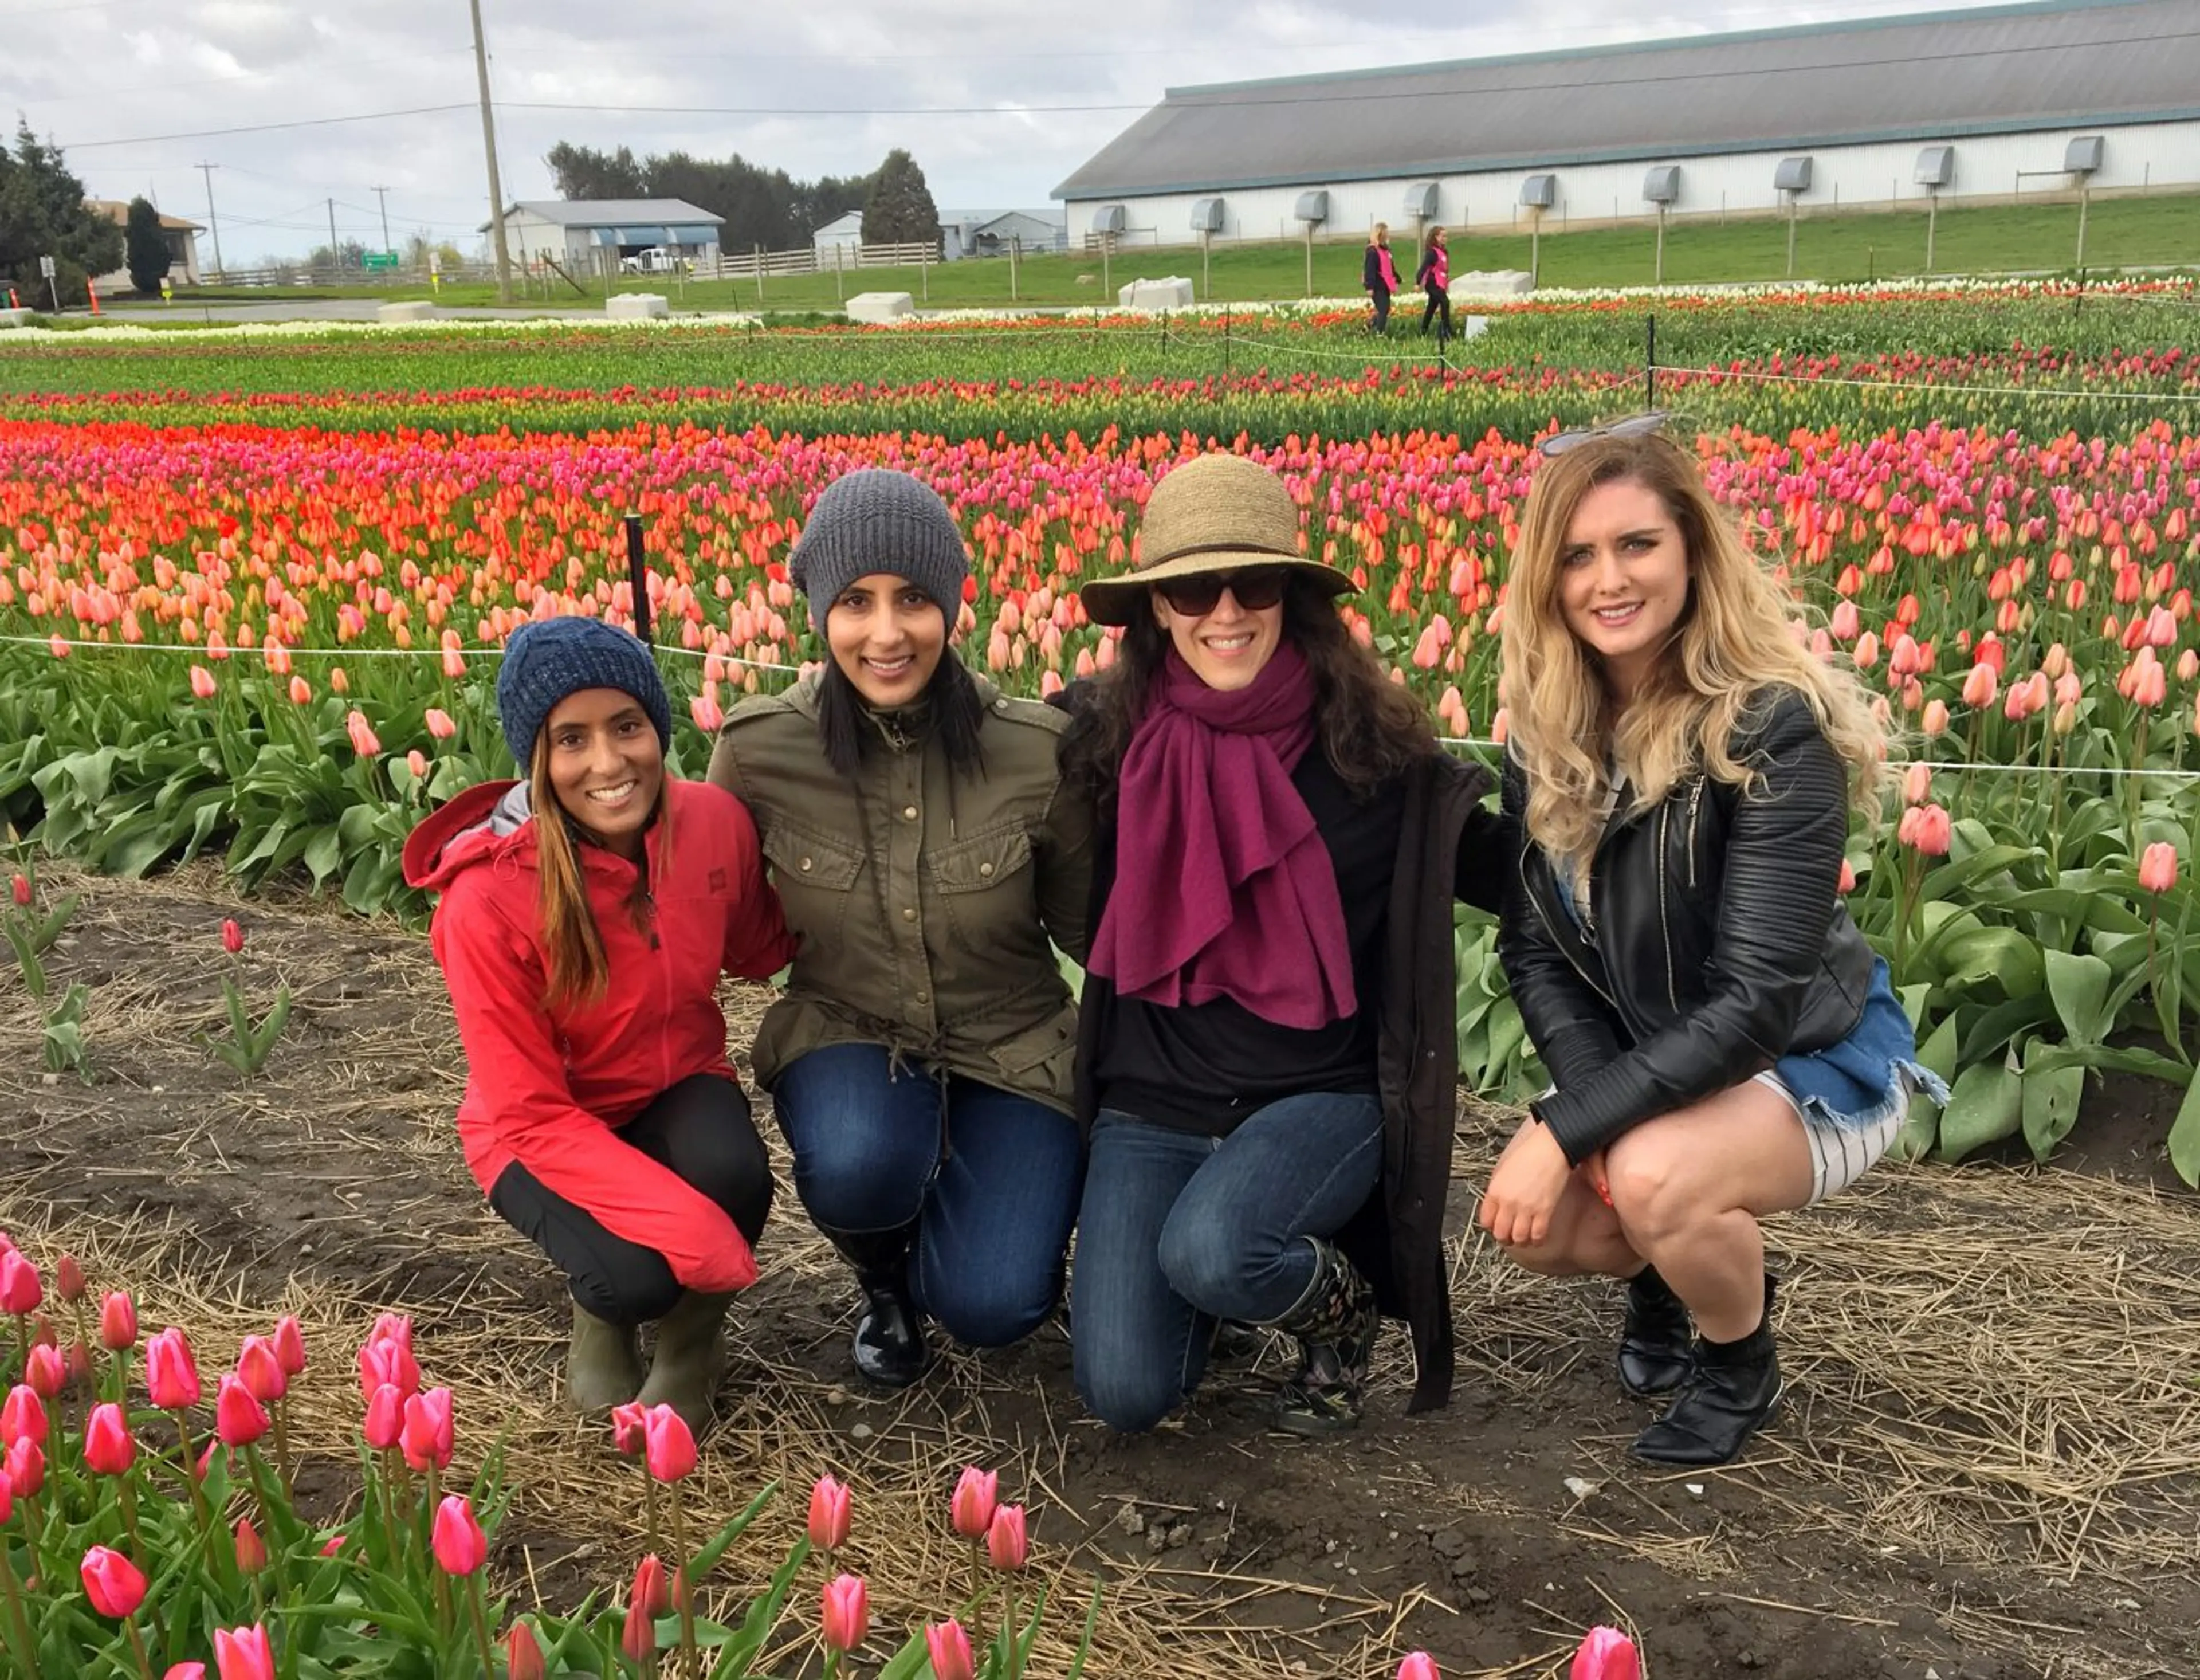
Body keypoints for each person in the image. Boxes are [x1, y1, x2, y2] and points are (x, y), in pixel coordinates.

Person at [1485, 417, 1947, 1466]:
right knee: (1549, 1224)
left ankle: (1739, 1357)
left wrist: (1568, 1127)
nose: (1611, 578)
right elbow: (1534, 950)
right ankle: (1665, 1264)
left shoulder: (1769, 729)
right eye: (1578, 555)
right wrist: (1593, 1118)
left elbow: (1754, 1005)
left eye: (1638, 544)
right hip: (1666, 1059)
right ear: (1546, 581)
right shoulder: (1548, 732)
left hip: (1808, 1054)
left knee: (1647, 1174)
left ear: (1692, 549)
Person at [1061, 452, 1511, 1436]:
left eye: (1252, 582)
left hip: (1320, 1097)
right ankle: (1210, 1283)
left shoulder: (1373, 756)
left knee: (1215, 1247)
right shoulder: (1105, 741)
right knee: (1125, 1393)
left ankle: (1335, 1312)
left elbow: (1514, 867)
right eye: (1191, 587)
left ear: (1293, 598)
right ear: (1155, 610)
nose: (1225, 612)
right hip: (1153, 1099)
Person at [708, 469, 1094, 1390]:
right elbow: (696, 907)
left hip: (1016, 1048)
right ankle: (883, 1281)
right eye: (856, 602)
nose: (887, 634)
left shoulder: (1036, 753)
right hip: (850, 1030)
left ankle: (978, 1233)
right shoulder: (759, 751)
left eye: (914, 599)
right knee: (857, 1161)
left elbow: (1100, 939)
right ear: (818, 613)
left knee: (995, 1307)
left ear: (953, 607)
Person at [403, 617, 796, 1435]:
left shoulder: (713, 822)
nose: (610, 763)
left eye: (628, 727)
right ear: (536, 759)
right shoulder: (486, 899)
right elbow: (532, 1113)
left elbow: (765, 948)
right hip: (536, 1124)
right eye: (571, 739)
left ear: (660, 727)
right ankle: (604, 1309)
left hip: (673, 1079)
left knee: (737, 1178)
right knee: (640, 1275)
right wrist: (697, 1241)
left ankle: (692, 1348)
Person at [1362, 223, 1400, 336]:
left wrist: (1397, 278)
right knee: (1383, 309)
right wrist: (1369, 286)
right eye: (1385, 233)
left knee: (1384, 309)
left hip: (1386, 285)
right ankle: (1380, 334)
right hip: (1377, 285)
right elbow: (1370, 269)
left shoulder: (1386, 251)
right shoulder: (1373, 251)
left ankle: (1368, 325)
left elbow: (1390, 267)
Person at [1416, 226, 1452, 343]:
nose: (1445, 238)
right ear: (1436, 237)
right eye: (1443, 236)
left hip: (1440, 283)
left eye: (1446, 236)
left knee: (1431, 308)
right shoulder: (1432, 252)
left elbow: (1443, 269)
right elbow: (1424, 268)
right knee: (1445, 302)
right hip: (1432, 283)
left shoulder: (1443, 252)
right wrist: (1418, 282)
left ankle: (1423, 331)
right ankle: (1446, 331)